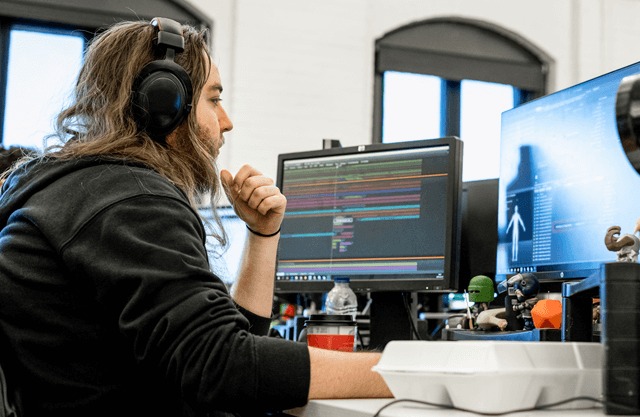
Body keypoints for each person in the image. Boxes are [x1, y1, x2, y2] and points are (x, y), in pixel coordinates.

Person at [0, 17, 390, 416]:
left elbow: (222, 345)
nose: (226, 121)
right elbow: (224, 369)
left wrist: (262, 234)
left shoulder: (75, 191)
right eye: (214, 99)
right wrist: (406, 372)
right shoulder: (129, 200)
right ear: (164, 103)